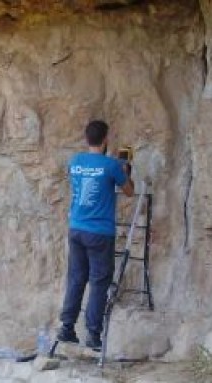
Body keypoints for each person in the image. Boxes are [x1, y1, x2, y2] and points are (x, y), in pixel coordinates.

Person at [57, 120, 134, 350]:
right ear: (106, 139)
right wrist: (125, 170)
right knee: (99, 282)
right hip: (100, 232)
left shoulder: (76, 161)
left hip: (76, 228)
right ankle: (93, 333)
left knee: (76, 278)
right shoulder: (111, 166)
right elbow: (129, 191)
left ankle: (67, 327)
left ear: (87, 138)